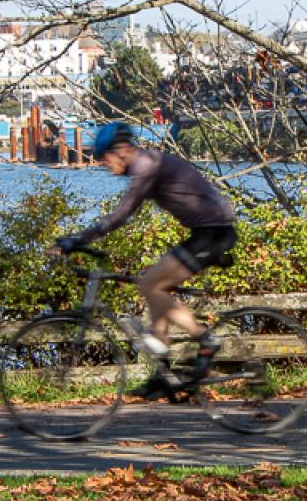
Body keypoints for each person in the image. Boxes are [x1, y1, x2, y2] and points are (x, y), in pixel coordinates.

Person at [50, 121, 239, 399]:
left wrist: (78, 239)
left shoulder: (146, 166)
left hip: (214, 233)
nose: (103, 164)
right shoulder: (147, 164)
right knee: (153, 290)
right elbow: (125, 213)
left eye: (105, 157)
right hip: (206, 232)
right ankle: (163, 375)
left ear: (122, 150)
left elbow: (122, 214)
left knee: (151, 285)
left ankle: (205, 338)